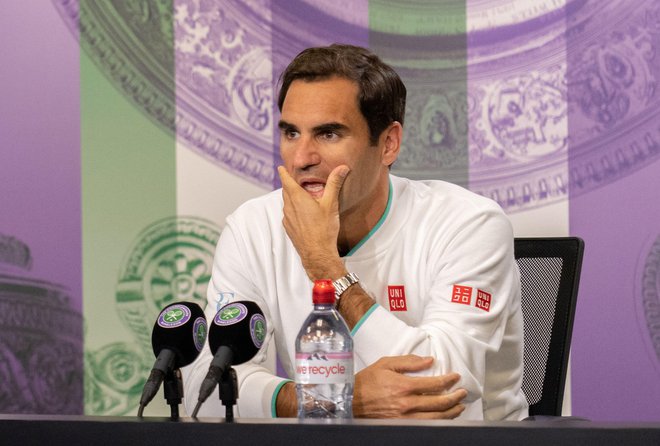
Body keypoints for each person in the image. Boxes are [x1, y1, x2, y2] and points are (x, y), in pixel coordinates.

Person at [182, 44, 528, 420]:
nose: (301, 158)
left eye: (328, 134)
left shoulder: (468, 224)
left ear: (388, 144)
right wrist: (333, 399)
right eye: (291, 133)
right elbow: (205, 387)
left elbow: (440, 387)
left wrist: (326, 267)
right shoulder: (253, 227)